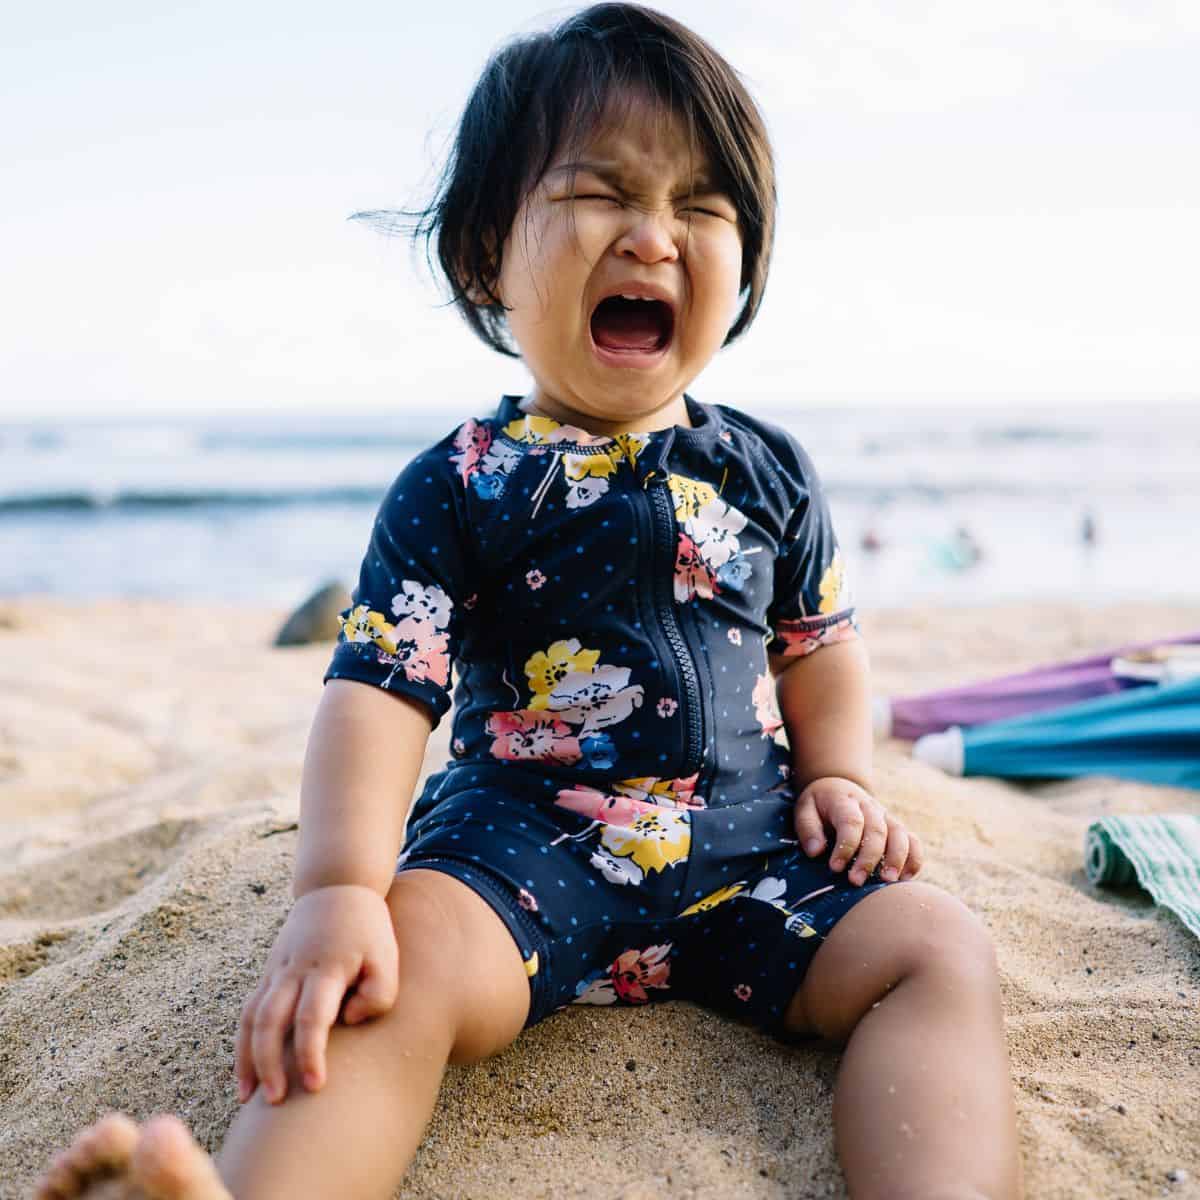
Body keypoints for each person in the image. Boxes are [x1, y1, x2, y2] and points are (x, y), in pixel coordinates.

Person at [33, 6, 1022, 1199]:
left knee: (934, 947)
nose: (654, 238)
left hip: (748, 846)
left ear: (745, 261)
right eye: (601, 194)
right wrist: (340, 890)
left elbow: (819, 645)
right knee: (388, 971)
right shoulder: (460, 486)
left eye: (701, 208)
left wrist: (841, 778)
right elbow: (379, 694)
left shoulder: (768, 472)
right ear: (485, 255)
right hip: (519, 849)